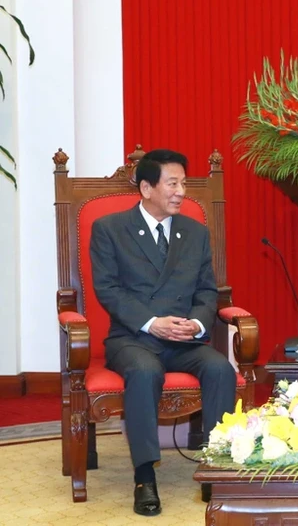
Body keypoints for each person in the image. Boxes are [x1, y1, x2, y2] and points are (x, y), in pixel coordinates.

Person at [89, 149, 236, 516]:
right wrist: (152, 322)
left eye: (184, 183)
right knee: (144, 370)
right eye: (173, 183)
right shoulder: (110, 229)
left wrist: (198, 324)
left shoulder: (195, 233)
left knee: (220, 368)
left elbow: (207, 291)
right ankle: (144, 477)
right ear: (146, 187)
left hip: (184, 339)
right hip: (133, 338)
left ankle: (216, 469)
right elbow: (108, 290)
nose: (181, 191)